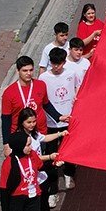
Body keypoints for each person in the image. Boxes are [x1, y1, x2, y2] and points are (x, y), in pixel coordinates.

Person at [39, 48, 80, 191]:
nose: (56, 67)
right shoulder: (43, 78)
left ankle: (69, 174)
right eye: (53, 63)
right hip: (51, 122)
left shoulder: (71, 73)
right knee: (51, 153)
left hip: (68, 120)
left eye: (59, 64)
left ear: (64, 62)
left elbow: (78, 87)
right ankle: (53, 184)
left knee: (69, 149)